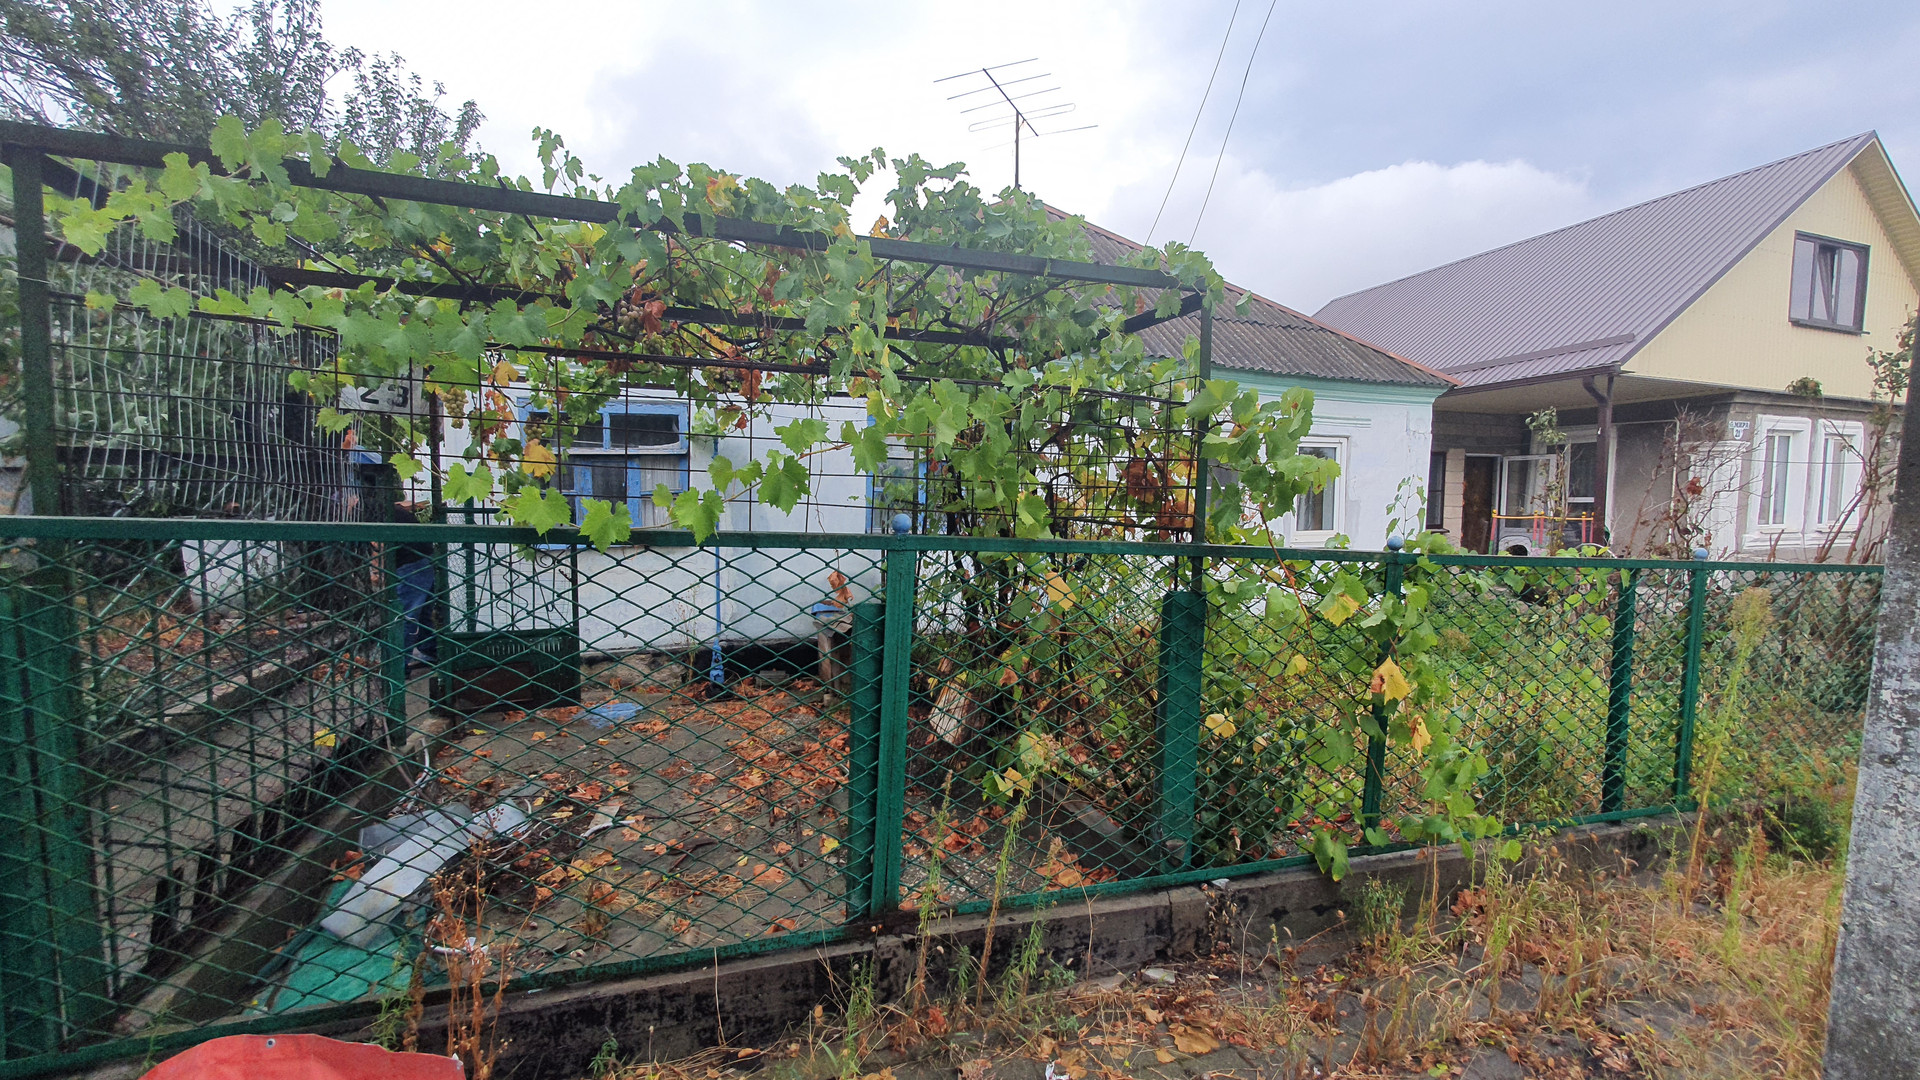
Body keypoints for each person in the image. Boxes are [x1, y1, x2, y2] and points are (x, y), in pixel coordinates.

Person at [391, 500, 437, 666]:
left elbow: (377, 544)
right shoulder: (387, 507)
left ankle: (399, 666)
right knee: (421, 610)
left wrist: (376, 571)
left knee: (407, 614)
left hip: (411, 563)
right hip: (422, 557)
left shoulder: (371, 510)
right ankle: (430, 650)